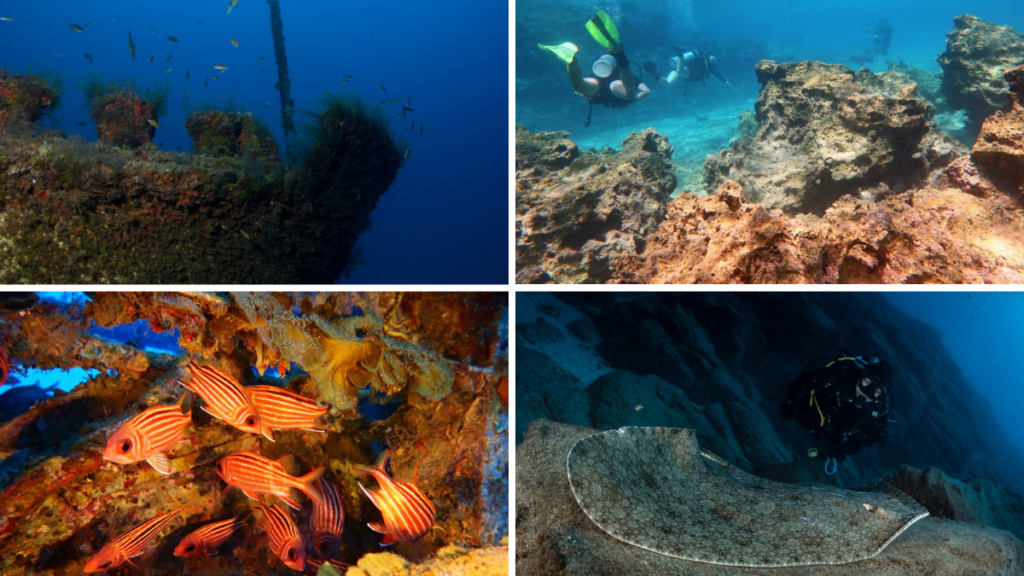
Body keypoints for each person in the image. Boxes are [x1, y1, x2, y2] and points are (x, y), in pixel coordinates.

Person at [779, 350, 893, 474]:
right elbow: (801, 383)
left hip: (833, 429)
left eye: (876, 391)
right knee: (786, 412)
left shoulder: (877, 413)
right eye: (866, 382)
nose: (866, 393)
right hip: (819, 414)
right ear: (860, 376)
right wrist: (803, 411)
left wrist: (847, 445)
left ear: (881, 397)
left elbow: (872, 437)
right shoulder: (838, 378)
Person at [538, 10, 650, 128]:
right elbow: (646, 91)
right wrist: (631, 101)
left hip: (599, 78)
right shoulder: (619, 88)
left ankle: (573, 62)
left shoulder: (600, 99)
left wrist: (587, 97)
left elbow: (577, 91)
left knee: (578, 86)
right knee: (629, 94)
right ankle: (619, 56)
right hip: (614, 83)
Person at [644, 47, 729, 94]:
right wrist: (725, 81)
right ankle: (680, 53)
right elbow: (716, 73)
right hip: (688, 71)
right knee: (679, 70)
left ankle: (654, 74)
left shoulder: (701, 59)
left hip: (682, 68)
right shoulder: (708, 64)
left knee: (667, 83)